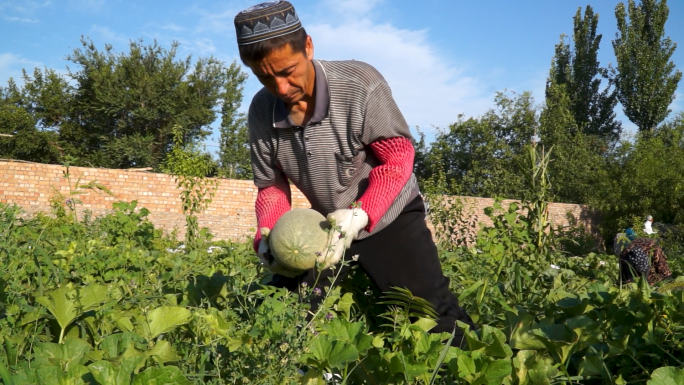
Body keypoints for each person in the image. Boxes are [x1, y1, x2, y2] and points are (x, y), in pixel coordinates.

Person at [234, 1, 475, 346]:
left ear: (309, 46)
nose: (282, 88)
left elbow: (397, 157)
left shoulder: (360, 84)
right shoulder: (261, 111)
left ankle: (484, 364)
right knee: (282, 315)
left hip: (390, 215)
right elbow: (271, 185)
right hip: (325, 226)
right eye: (265, 77)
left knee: (430, 316)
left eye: (288, 71)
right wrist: (266, 234)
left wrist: (362, 213)